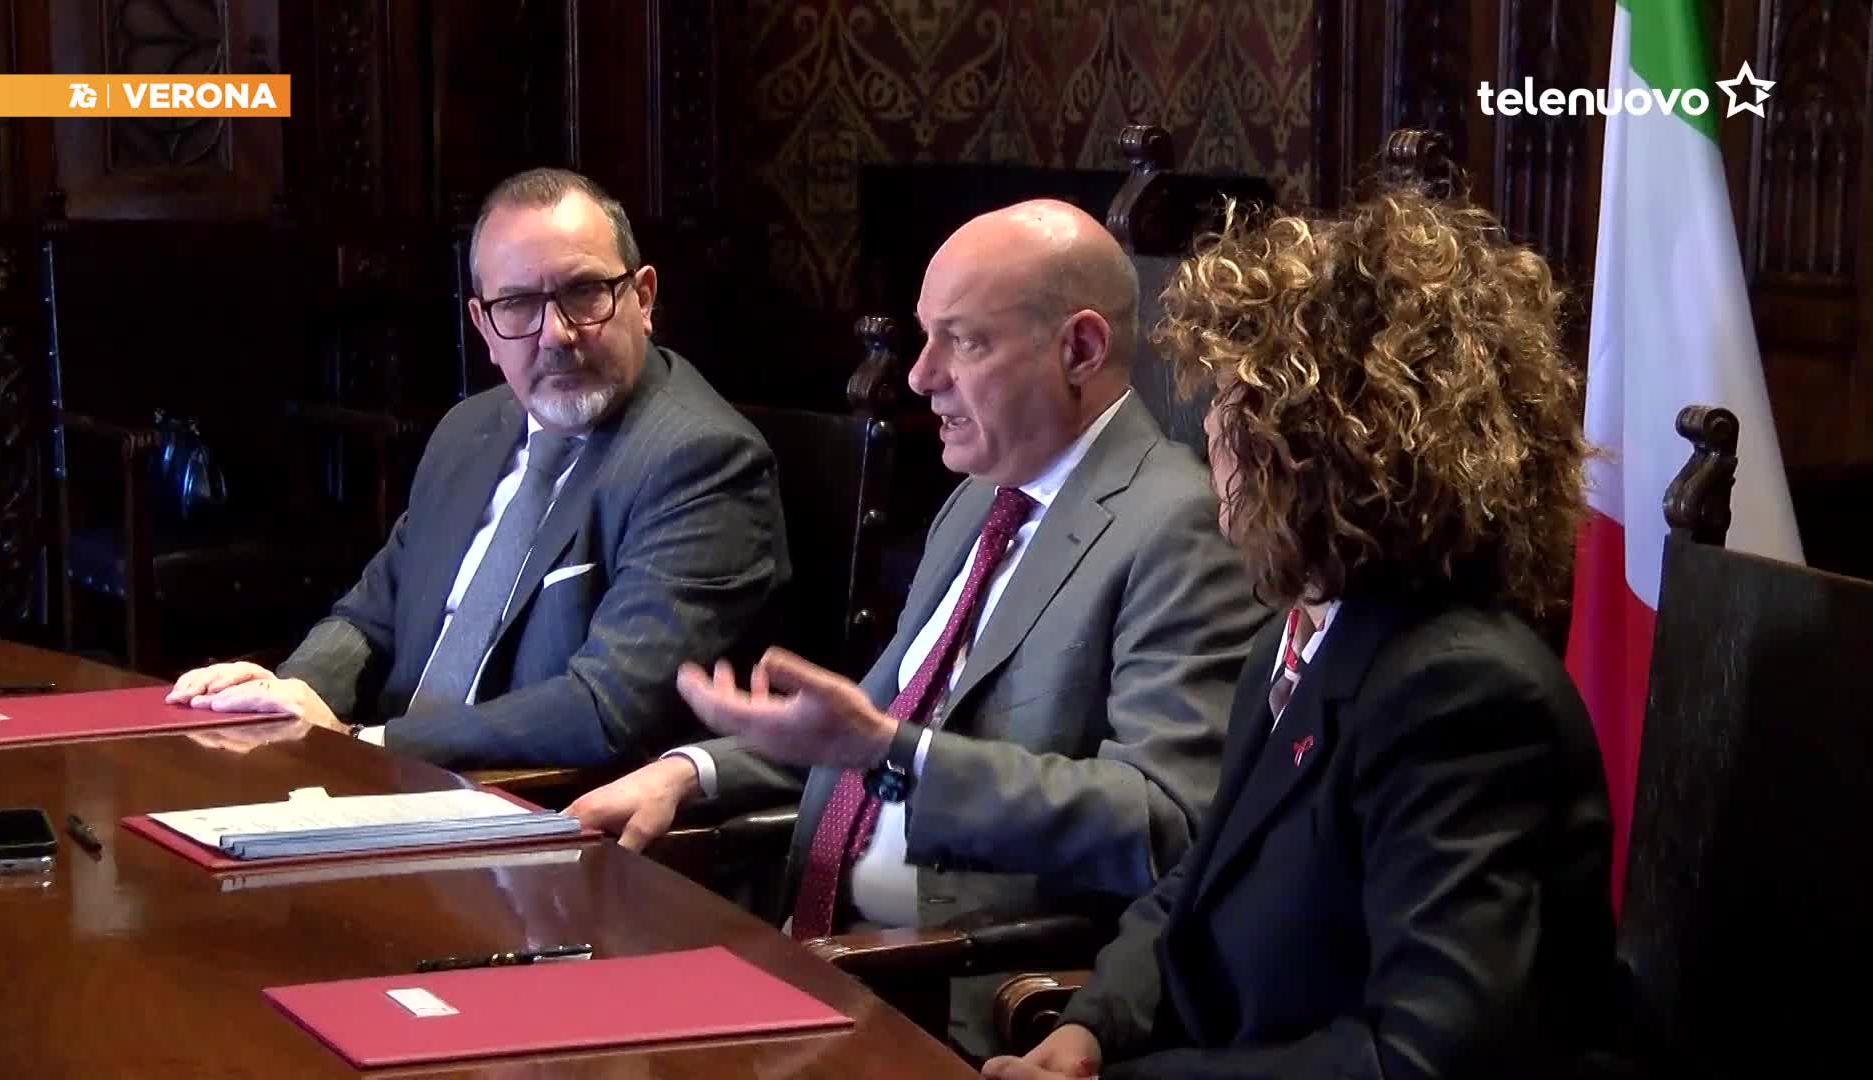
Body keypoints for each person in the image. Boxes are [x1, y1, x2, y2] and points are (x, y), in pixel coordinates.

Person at [567, 199, 1269, 1057]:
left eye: (962, 342)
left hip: (949, 997)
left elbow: (1163, 823)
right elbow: (872, 726)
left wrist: (896, 753)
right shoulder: (979, 500)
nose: (920, 376)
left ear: (1080, 350)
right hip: (806, 957)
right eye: (925, 337)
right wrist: (692, 771)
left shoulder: (1178, 526)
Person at [983, 185, 1620, 1080]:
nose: (1209, 431)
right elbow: (1202, 884)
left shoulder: (1461, 696)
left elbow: (1420, 1060)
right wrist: (1095, 1028)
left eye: (1232, 404)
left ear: (1322, 449)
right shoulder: (1300, 639)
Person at [164, 168, 789, 769]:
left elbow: (606, 709)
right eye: (517, 304)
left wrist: (364, 743)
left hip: (531, 810)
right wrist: (292, 693)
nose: (556, 334)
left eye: (584, 292)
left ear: (643, 298)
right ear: (483, 326)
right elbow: (372, 615)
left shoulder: (701, 461)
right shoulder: (469, 430)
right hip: (380, 774)